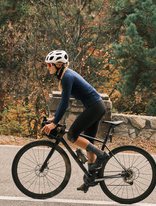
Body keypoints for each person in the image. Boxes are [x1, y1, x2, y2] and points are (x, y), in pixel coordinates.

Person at [41, 50, 108, 192]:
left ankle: (101, 156)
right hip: (96, 106)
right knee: (89, 142)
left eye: (49, 64)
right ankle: (91, 177)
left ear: (58, 65)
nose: (47, 67)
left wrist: (54, 123)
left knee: (72, 135)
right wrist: (55, 118)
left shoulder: (67, 77)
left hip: (95, 107)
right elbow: (63, 102)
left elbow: (64, 103)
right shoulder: (66, 75)